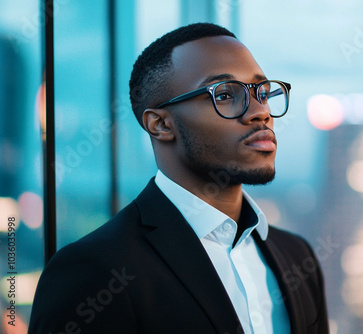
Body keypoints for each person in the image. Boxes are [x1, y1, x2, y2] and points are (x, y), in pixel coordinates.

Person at [29, 23, 328, 334]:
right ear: (160, 125)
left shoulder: (297, 256)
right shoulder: (95, 270)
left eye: (262, 92)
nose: (260, 112)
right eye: (225, 94)